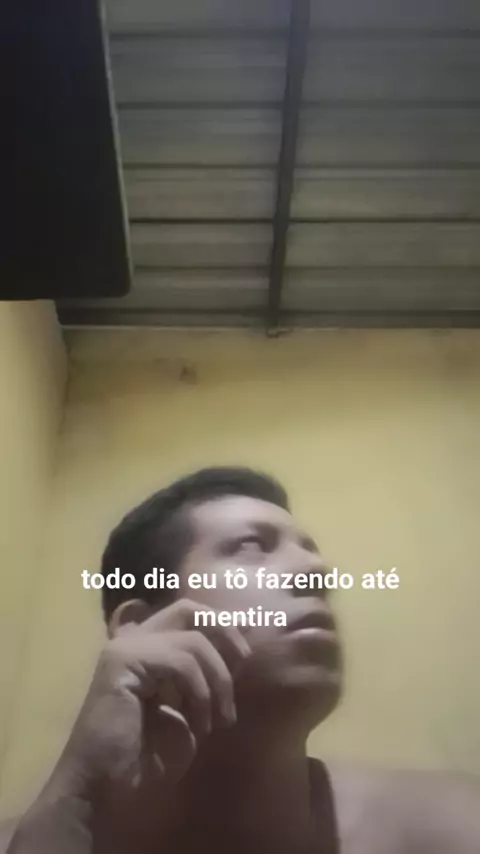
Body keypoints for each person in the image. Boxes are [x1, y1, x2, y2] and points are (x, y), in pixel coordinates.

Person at [4, 467, 480, 853]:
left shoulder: (450, 823)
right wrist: (78, 791)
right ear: (140, 627)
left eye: (311, 553)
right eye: (250, 546)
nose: (317, 571)